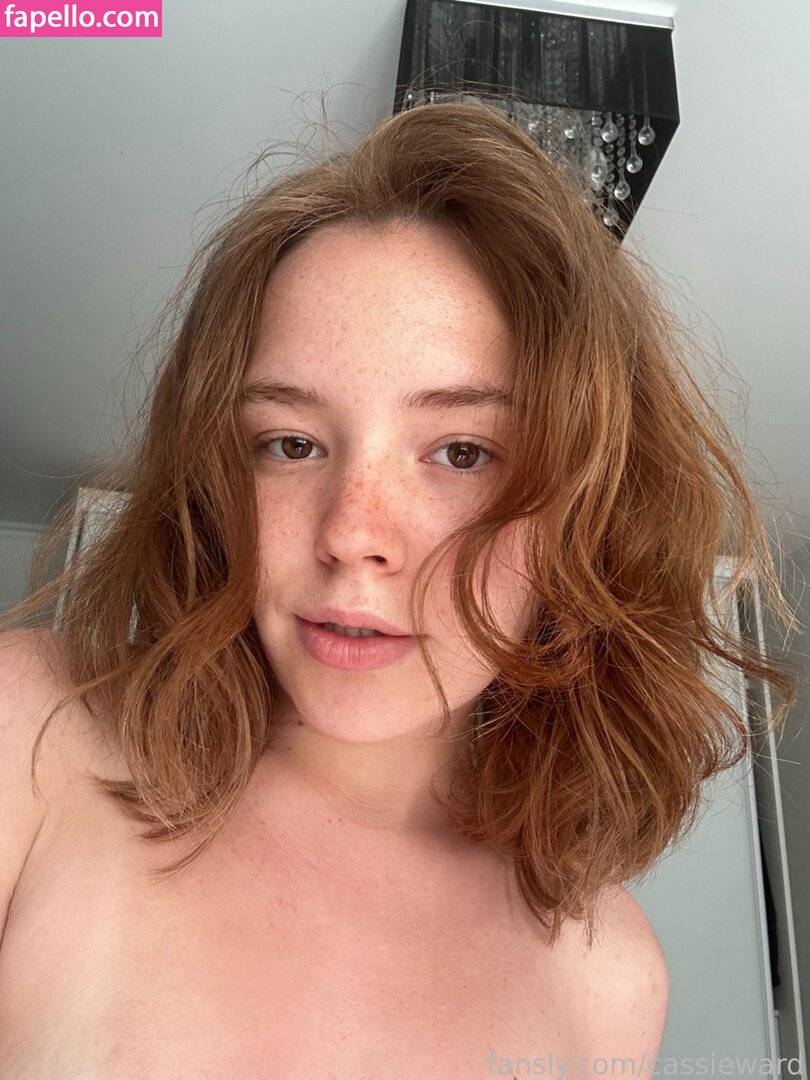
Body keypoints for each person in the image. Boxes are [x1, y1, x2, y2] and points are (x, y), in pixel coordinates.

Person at [0, 98, 799, 1077]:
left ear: (589, 516)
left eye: (462, 452)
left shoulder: (611, 977)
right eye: (290, 444)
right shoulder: (33, 735)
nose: (351, 535)